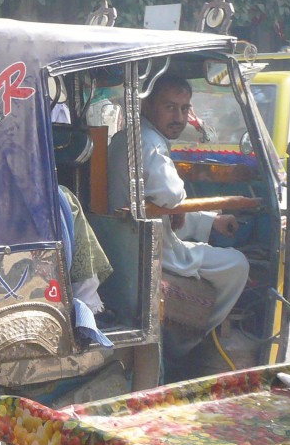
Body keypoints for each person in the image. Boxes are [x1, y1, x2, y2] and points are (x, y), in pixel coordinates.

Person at [107, 72, 250, 379]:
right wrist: (189, 213)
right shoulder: (150, 142)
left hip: (130, 244)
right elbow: (172, 196)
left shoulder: (127, 138)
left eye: (185, 109)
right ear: (147, 106)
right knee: (237, 264)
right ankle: (185, 346)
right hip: (151, 251)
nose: (179, 117)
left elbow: (168, 207)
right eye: (170, 107)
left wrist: (211, 222)